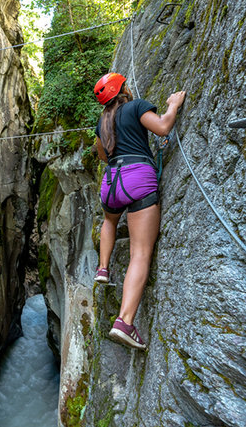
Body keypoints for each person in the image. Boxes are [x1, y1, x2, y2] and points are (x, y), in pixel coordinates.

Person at [93, 72, 185, 350]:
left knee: (110, 220)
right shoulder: (136, 106)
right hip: (138, 177)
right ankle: (124, 322)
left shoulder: (102, 121)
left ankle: (103, 268)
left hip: (110, 181)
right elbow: (162, 127)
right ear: (123, 89)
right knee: (140, 253)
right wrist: (174, 105)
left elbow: (101, 155)